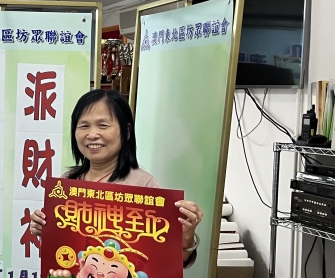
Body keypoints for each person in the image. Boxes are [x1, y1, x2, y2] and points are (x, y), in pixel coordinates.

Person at [26, 89, 204, 266]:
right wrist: (45, 229)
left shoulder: (144, 185)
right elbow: (62, 253)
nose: (92, 134)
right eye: (84, 126)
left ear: (126, 131)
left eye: (103, 125)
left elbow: (168, 264)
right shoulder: (66, 183)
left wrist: (186, 236)